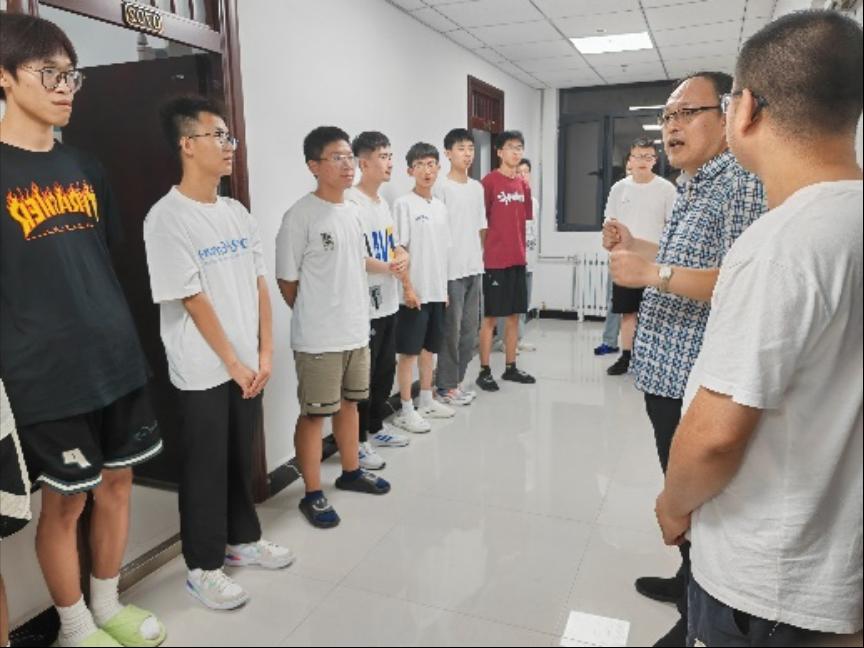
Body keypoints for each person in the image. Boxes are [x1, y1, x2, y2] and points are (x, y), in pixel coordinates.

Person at [656, 11, 863, 647]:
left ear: (742, 110)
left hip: (767, 583)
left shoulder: (781, 244)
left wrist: (672, 504)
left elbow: (716, 436)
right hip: (835, 563)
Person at [0, 14, 164, 647]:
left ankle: (108, 604)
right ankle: (73, 627)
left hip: (115, 355)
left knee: (120, 481)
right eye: (49, 73)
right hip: (42, 371)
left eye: (72, 75)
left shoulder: (85, 167)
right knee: (66, 501)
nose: (65, 87)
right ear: (5, 77)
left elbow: (100, 261)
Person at [605, 71, 765, 646]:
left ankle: (699, 613)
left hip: (696, 378)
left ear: (728, 114)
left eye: (686, 113)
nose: (672, 127)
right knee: (681, 489)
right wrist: (637, 246)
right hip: (666, 372)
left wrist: (653, 273)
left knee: (700, 499)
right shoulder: (694, 184)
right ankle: (687, 580)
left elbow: (743, 281)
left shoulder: (740, 183)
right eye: (667, 116)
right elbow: (681, 259)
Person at [144, 96, 294, 610]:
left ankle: (242, 541)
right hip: (204, 367)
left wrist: (265, 351)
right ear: (188, 144)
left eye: (230, 136)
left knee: (238, 457)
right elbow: (192, 297)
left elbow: (259, 283)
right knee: (205, 467)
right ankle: (203, 567)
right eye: (219, 136)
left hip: (247, 363)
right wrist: (232, 361)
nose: (230, 146)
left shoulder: (235, 212)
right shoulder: (166, 218)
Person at [276, 126, 390, 529]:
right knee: (313, 415)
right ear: (314, 165)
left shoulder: (353, 211)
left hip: (355, 329)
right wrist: (315, 313)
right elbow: (287, 282)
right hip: (318, 337)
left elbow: (355, 263)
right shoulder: (300, 216)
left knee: (350, 404)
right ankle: (312, 492)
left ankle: (351, 471)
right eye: (336, 158)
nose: (347, 165)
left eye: (348, 157)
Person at [346, 131, 411, 470]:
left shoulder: (381, 203)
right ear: (364, 163)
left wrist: (401, 255)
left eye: (390, 156)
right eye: (383, 157)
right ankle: (356, 443)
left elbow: (392, 243)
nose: (389, 163)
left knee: (385, 370)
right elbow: (354, 257)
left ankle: (375, 429)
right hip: (364, 308)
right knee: (364, 379)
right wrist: (389, 266)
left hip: (388, 302)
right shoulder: (351, 203)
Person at [390, 143, 454, 433]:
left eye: (431, 165)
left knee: (430, 350)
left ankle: (426, 400)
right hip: (414, 294)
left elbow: (443, 252)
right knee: (409, 354)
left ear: (438, 168)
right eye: (420, 165)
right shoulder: (404, 204)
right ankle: (405, 409)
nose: (427, 171)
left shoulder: (440, 206)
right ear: (410, 170)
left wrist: (444, 290)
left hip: (436, 291)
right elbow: (399, 249)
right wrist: (407, 288)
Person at [603, 138, 675, 376]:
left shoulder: (666, 189)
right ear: (630, 160)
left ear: (655, 160)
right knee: (628, 311)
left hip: (656, 261)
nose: (642, 161)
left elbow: (673, 227)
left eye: (647, 156)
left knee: (656, 312)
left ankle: (653, 360)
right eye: (638, 156)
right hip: (626, 261)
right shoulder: (619, 188)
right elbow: (610, 222)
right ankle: (627, 357)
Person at [476, 131, 536, 391]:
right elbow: (481, 222)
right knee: (491, 318)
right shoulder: (489, 182)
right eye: (511, 147)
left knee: (513, 316)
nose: (516, 152)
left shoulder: (523, 185)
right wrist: (486, 251)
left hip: (517, 259)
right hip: (495, 261)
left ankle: (511, 367)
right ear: (499, 152)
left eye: (519, 147)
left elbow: (524, 222)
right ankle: (484, 370)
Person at [433, 129, 485, 406]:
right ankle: (445, 386)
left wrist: (477, 257)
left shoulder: (477, 188)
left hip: (474, 268)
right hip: (450, 271)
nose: (467, 154)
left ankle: (456, 381)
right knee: (449, 334)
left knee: (469, 333)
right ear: (448, 153)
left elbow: (481, 228)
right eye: (461, 148)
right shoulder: (440, 188)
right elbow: (437, 234)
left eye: (471, 148)